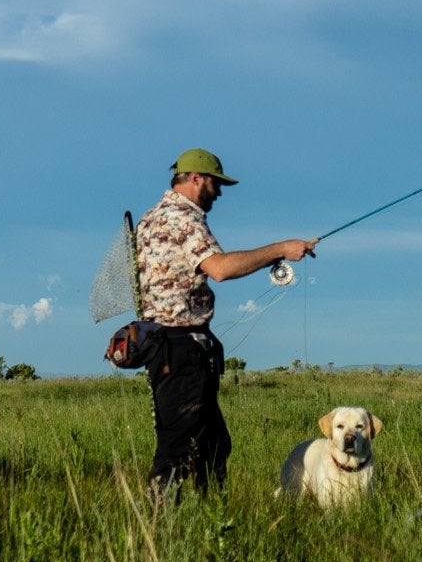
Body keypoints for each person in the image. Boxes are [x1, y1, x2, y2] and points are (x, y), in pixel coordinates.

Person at [135, 148, 317, 495]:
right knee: (177, 451)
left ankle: (210, 519)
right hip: (179, 350)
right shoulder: (182, 218)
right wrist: (280, 249)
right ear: (195, 179)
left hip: (170, 348)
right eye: (216, 184)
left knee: (213, 446)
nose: (219, 193)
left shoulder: (151, 217)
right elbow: (219, 268)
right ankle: (156, 531)